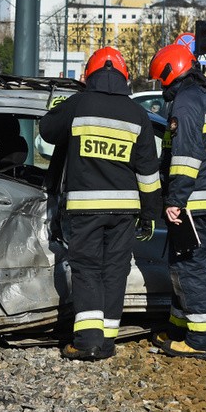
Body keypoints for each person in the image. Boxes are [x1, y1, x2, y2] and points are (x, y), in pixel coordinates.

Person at [40, 46, 161, 361]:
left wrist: (58, 108)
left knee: (88, 270)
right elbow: (148, 172)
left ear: (88, 76)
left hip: (87, 208)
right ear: (124, 78)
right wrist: (150, 213)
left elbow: (47, 132)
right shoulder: (138, 114)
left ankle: (89, 342)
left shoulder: (80, 104)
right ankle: (106, 341)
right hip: (125, 212)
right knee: (115, 271)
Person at [148, 43, 206, 360]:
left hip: (192, 200)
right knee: (182, 265)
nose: (162, 87)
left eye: (162, 80)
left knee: (190, 267)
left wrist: (175, 199)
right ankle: (179, 328)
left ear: (171, 72)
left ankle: (203, 339)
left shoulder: (185, 103)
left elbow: (185, 159)